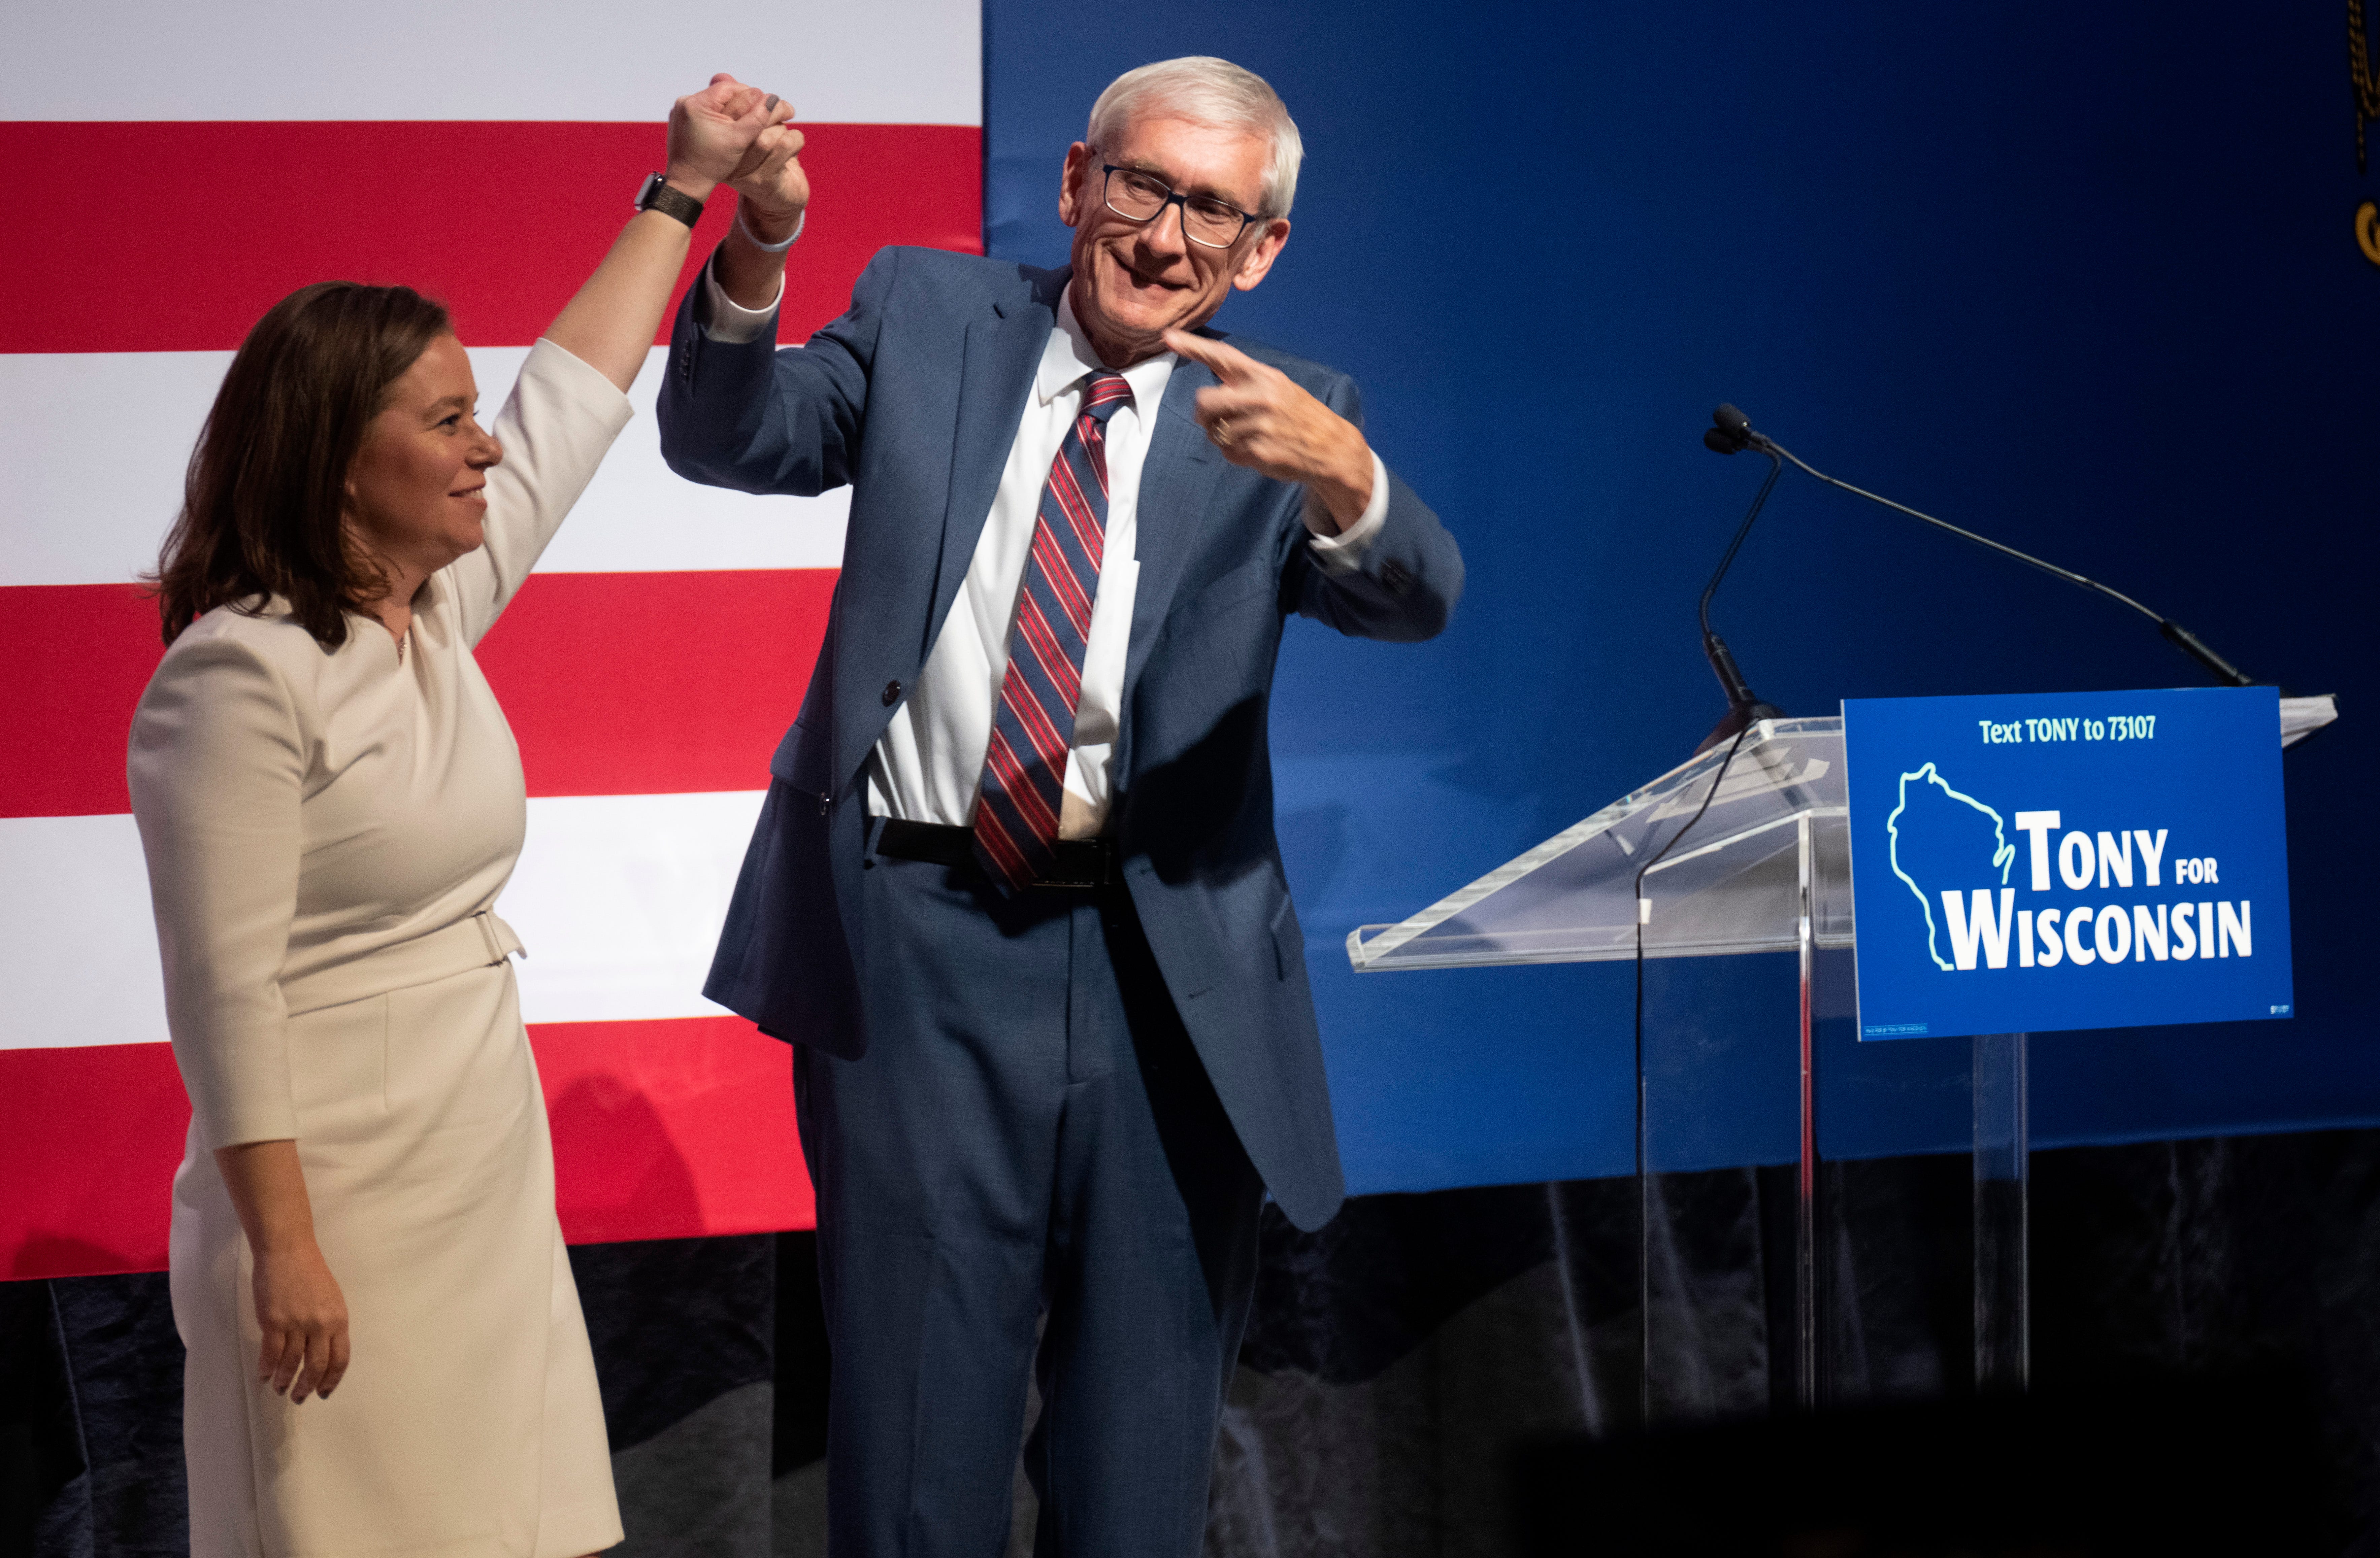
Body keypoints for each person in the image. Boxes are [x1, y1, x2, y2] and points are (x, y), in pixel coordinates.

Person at [659, 55, 1464, 1554]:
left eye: (1216, 214)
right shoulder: (927, 315)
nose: (1169, 240)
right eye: (1146, 187)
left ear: (1264, 251)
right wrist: (754, 237)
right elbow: (726, 438)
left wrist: (1353, 480)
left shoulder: (1287, 416)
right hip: (919, 952)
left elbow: (1420, 600)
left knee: (1139, 1471)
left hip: (1172, 983)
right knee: (912, 1462)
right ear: (1079, 178)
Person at [128, 75, 803, 1558]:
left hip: (475, 1170)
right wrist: (287, 1248)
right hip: (331, 1203)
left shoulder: (427, 617)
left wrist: (682, 193)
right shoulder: (238, 672)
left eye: (469, 413)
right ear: (336, 457)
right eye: (444, 421)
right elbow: (223, 988)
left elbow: (570, 401)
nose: (483, 445)